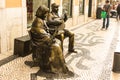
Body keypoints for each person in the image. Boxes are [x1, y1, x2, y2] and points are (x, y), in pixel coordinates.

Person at [29, 5, 70, 74]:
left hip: (44, 39)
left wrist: (51, 33)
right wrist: (49, 38)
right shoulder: (37, 21)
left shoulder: (42, 20)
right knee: (56, 46)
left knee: (59, 42)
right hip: (40, 42)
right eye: (45, 13)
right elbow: (40, 33)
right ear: (41, 12)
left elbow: (45, 30)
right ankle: (55, 68)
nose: (46, 15)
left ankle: (57, 64)